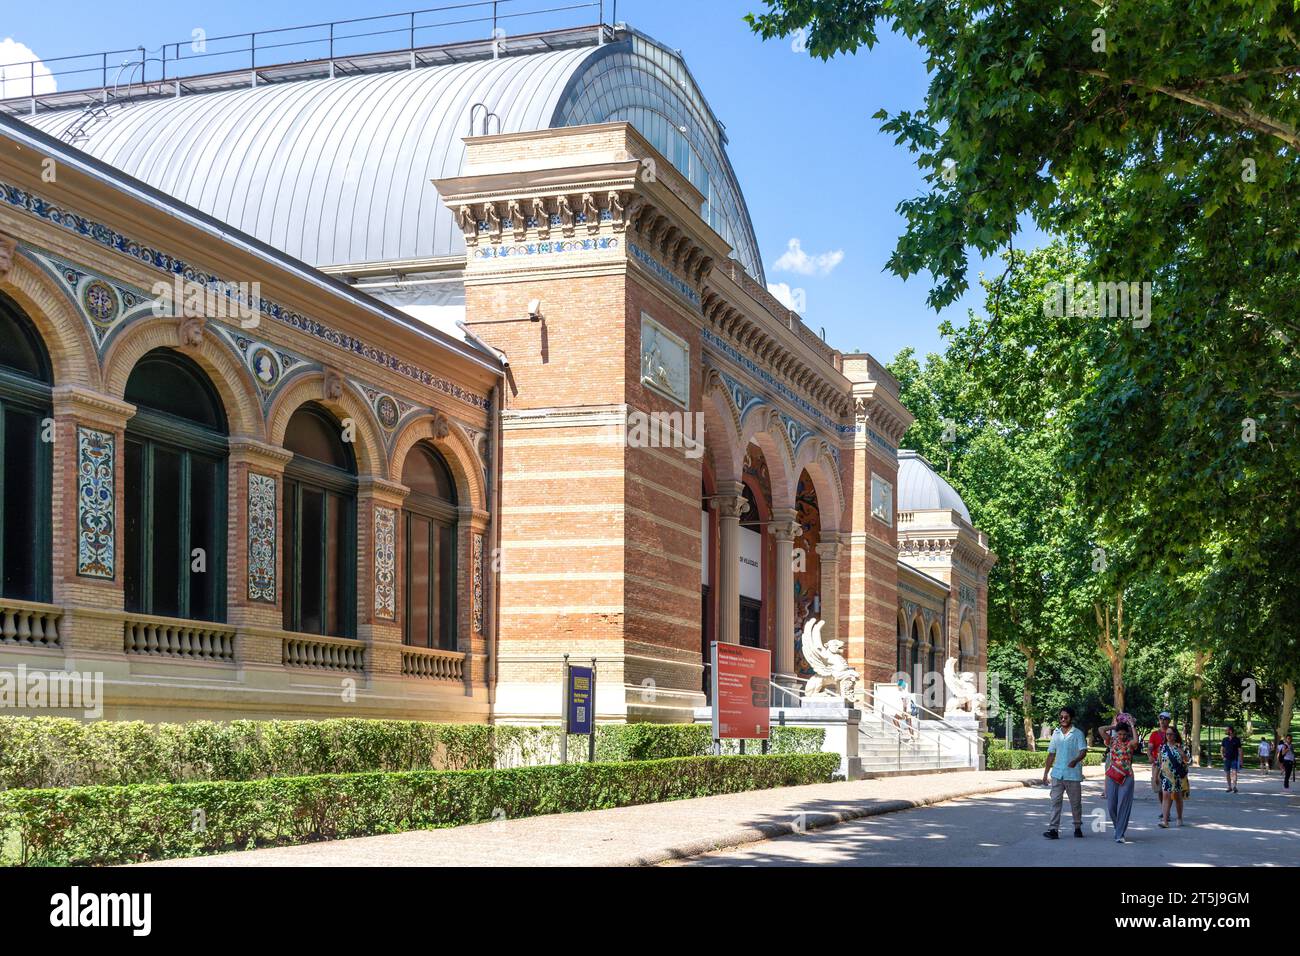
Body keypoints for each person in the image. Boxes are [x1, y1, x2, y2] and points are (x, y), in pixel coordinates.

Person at [1042, 706, 1089, 839]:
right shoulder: (1056, 734)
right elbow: (1051, 754)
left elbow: (1083, 751)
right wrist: (1045, 774)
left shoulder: (1078, 734)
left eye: (1066, 717)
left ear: (1071, 718)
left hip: (1072, 775)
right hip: (1057, 774)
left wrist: (1075, 760)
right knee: (1055, 802)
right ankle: (1053, 830)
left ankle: (1077, 827)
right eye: (1061, 717)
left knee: (1075, 803)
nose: (1063, 719)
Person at [1102, 713, 1140, 844]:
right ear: (1116, 733)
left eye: (1124, 734)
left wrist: (1132, 726)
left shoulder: (1130, 743)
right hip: (1112, 776)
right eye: (1120, 734)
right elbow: (1101, 730)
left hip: (1127, 776)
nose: (1122, 736)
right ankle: (1118, 827)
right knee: (1111, 805)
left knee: (1123, 804)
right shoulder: (1111, 741)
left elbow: (1136, 740)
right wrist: (1115, 726)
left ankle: (1120, 834)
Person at [1158, 728, 1189, 828]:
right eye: (1167, 734)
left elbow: (1188, 761)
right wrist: (1157, 775)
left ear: (1175, 735)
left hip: (1177, 777)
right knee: (1166, 796)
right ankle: (1165, 821)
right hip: (1166, 776)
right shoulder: (1163, 747)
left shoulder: (1181, 747)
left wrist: (1182, 753)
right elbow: (1159, 762)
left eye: (1171, 734)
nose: (1168, 736)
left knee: (1177, 797)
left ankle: (1179, 817)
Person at [1148, 712, 1172, 818]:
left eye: (1165, 719)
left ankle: (1167, 811)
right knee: (1159, 789)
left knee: (1168, 789)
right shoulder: (1154, 734)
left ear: (1169, 721)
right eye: (1160, 719)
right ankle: (1163, 809)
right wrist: (1150, 756)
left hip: (1170, 765)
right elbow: (1150, 748)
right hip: (1157, 764)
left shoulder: (1172, 733)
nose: (1162, 721)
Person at [1221, 726, 1242, 792]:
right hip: (1227, 759)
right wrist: (1223, 756)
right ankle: (1229, 787)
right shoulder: (1224, 739)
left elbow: (1240, 750)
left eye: (1226, 730)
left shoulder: (1237, 739)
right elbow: (1222, 749)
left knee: (1234, 773)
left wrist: (1241, 760)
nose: (1225, 731)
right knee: (1227, 773)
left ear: (1230, 731)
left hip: (1234, 759)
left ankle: (1234, 787)